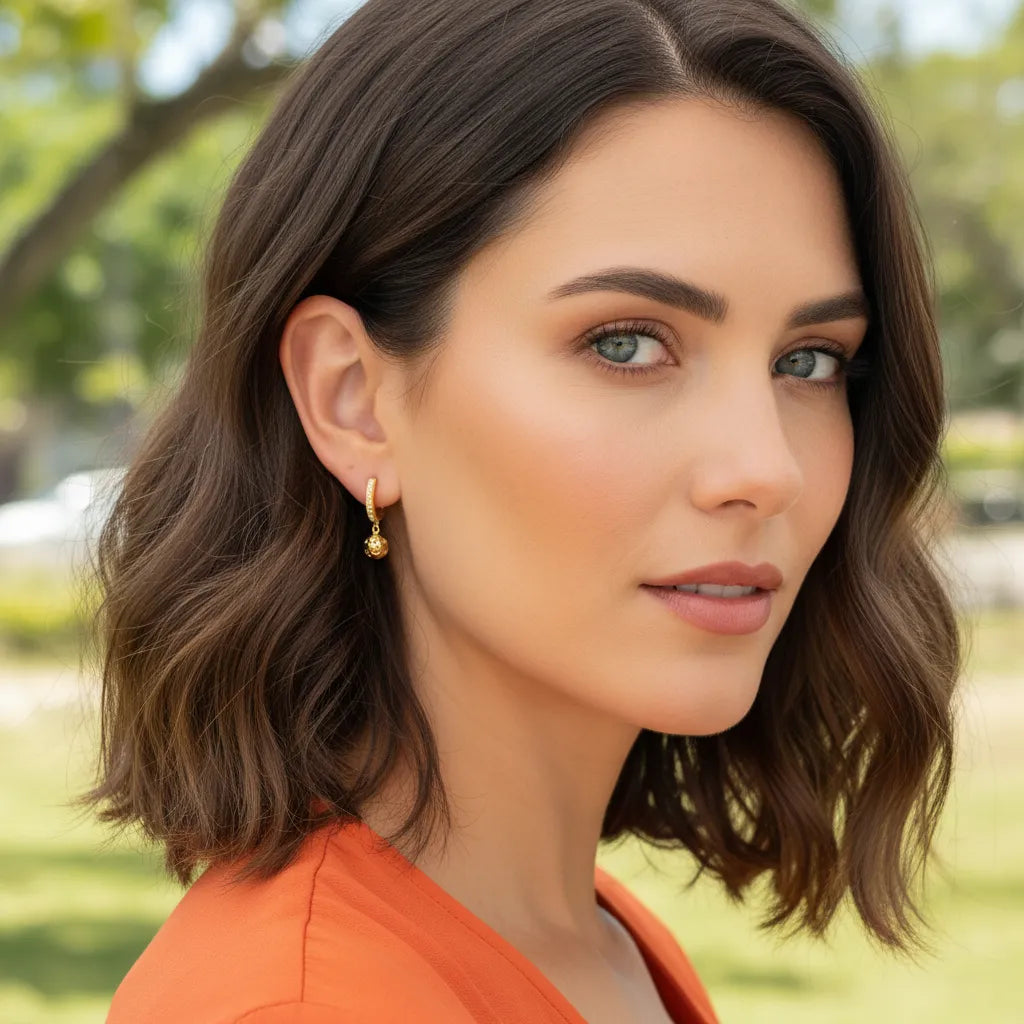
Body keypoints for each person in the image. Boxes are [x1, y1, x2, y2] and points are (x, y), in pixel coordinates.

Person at [83, 0, 966, 1021]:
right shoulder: (309, 1001)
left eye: (808, 362)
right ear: (351, 398)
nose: (763, 468)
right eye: (627, 343)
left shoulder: (602, 941)